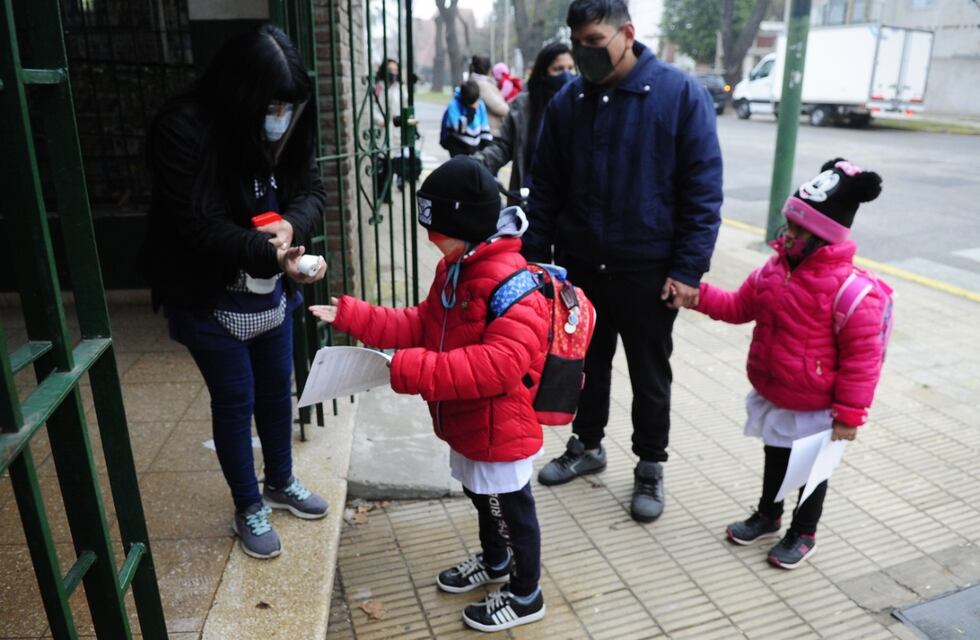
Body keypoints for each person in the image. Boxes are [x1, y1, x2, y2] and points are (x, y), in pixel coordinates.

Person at [309, 156, 550, 632]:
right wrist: (354, 317)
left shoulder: (510, 283)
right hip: (467, 420)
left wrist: (409, 367)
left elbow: (498, 366)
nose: (431, 242)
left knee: (509, 505)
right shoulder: (458, 266)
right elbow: (424, 323)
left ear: (467, 225)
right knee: (482, 496)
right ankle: (495, 561)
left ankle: (526, 593)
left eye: (438, 232)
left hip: (499, 425)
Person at [524, 0, 723, 523]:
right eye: (577, 42)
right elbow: (545, 187)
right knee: (585, 363)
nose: (584, 53)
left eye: (594, 42)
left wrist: (687, 271)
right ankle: (587, 445)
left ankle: (650, 465)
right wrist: (534, 259)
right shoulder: (569, 102)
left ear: (627, 33)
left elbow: (702, 192)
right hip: (581, 265)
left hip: (649, 268)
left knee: (649, 372)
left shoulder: (680, 96)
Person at [140, 25, 329, 560]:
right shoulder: (184, 129)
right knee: (236, 399)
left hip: (270, 295)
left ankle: (281, 482)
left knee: (276, 390)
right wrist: (271, 255)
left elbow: (312, 190)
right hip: (207, 298)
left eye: (287, 107)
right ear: (240, 95)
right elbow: (197, 225)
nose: (279, 119)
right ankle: (248, 504)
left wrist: (291, 228)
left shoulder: (290, 127)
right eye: (270, 107)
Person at [692, 159, 885, 569]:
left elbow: (861, 361)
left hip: (818, 404)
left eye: (800, 230)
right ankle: (768, 514)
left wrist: (849, 415)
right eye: (789, 225)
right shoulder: (774, 270)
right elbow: (739, 306)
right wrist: (697, 296)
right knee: (777, 456)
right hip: (777, 391)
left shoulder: (852, 292)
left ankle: (804, 531)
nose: (789, 235)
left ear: (823, 237)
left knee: (812, 473)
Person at [475, 44, 575, 203]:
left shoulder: (583, 105)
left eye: (571, 68)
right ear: (543, 73)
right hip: (529, 202)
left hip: (570, 206)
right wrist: (472, 166)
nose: (567, 75)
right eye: (559, 69)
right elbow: (502, 147)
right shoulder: (523, 106)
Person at [440, 80, 492, 158]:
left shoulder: (480, 103)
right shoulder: (454, 105)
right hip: (457, 146)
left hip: (476, 147)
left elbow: (484, 125)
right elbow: (459, 128)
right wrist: (472, 110)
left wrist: (486, 145)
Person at [469, 55, 510, 135]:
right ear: (489, 69)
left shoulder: (476, 83)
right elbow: (501, 109)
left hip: (485, 130)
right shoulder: (482, 86)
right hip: (491, 131)